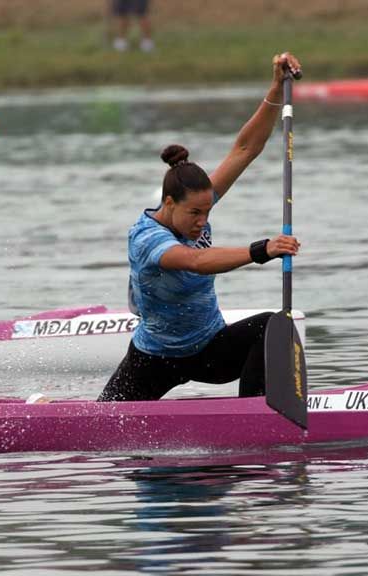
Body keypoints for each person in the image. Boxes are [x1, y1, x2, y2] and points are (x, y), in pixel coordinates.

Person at [98, 53, 303, 402]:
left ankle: (255, 415)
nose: (202, 221)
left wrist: (274, 88)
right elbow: (194, 262)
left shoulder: (195, 206)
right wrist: (260, 250)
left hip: (209, 348)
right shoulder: (146, 238)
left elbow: (245, 149)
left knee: (272, 326)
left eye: (207, 211)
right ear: (168, 203)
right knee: (101, 428)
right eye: (194, 213)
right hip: (155, 358)